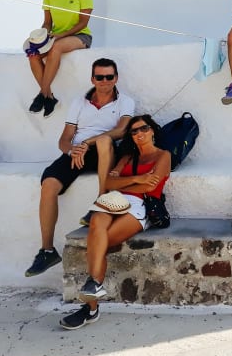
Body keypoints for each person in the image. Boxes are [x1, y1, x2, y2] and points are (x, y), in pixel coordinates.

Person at [24, 58, 134, 277]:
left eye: (109, 77)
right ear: (92, 79)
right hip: (78, 152)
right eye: (100, 77)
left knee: (103, 141)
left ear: (116, 78)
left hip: (105, 150)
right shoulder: (79, 103)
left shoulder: (125, 102)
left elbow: (121, 131)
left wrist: (86, 143)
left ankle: (101, 203)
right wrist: (72, 150)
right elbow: (64, 139)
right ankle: (47, 250)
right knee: (48, 185)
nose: (105, 81)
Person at [60, 114, 170, 329]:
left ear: (153, 130)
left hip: (140, 206)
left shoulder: (162, 156)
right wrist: (137, 178)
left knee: (97, 245)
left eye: (144, 128)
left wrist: (124, 184)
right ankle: (93, 291)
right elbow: (109, 182)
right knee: (96, 223)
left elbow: (150, 188)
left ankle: (90, 308)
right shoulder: (127, 158)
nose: (139, 134)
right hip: (113, 200)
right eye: (134, 131)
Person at [27, 0, 94, 118]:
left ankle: (42, 95)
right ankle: (49, 97)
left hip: (80, 36)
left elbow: (82, 23)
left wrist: (60, 35)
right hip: (56, 35)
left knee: (56, 47)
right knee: (32, 53)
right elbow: (47, 22)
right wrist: (42, 36)